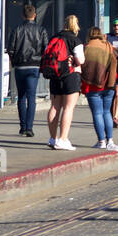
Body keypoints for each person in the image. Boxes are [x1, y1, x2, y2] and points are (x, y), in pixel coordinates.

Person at [44, 14, 85, 150]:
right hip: (70, 76)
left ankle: (52, 138)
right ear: (76, 25)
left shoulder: (54, 38)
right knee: (68, 107)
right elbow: (81, 60)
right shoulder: (75, 40)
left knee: (55, 106)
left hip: (55, 76)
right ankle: (63, 139)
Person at [7, 3, 47, 137]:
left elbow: (11, 49)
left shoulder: (17, 29)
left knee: (21, 98)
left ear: (23, 15)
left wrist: (14, 62)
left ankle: (23, 126)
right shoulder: (41, 30)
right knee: (31, 98)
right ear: (34, 15)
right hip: (34, 66)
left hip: (19, 67)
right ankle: (29, 127)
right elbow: (45, 49)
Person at [81, 26, 118, 150]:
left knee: (97, 113)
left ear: (90, 35)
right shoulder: (109, 46)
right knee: (107, 112)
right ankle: (110, 141)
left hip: (92, 85)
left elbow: (83, 66)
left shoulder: (85, 48)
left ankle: (101, 141)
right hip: (109, 84)